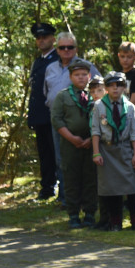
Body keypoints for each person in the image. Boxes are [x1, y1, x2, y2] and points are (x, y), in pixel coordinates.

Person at [44, 31, 101, 207]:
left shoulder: (86, 66)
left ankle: (88, 200)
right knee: (62, 161)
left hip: (87, 123)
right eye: (62, 47)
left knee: (87, 162)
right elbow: (46, 93)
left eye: (70, 47)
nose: (66, 50)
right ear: (57, 49)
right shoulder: (50, 67)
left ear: (76, 48)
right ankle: (66, 199)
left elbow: (100, 88)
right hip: (59, 122)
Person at [91, 72, 135, 231]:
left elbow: (134, 132)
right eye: (111, 85)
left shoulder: (130, 106)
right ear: (105, 88)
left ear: (124, 88)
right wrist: (96, 152)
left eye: (119, 85)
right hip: (107, 150)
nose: (115, 89)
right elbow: (95, 131)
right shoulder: (99, 106)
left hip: (124, 148)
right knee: (111, 188)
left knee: (130, 186)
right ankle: (115, 222)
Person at [51, 58, 97, 228]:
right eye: (77, 75)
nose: (81, 78)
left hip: (92, 143)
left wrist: (91, 139)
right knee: (71, 178)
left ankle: (90, 213)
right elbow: (56, 120)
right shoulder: (62, 96)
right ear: (70, 77)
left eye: (84, 74)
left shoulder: (95, 94)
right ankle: (73, 215)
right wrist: (72, 138)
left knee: (90, 178)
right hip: (70, 144)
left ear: (89, 76)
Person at [28, 22, 59, 200]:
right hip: (40, 115)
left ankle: (58, 188)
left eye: (45, 37)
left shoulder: (58, 59)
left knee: (57, 153)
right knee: (44, 154)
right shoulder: (38, 61)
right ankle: (47, 187)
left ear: (53, 39)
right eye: (38, 38)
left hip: (53, 114)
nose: (41, 40)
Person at [117, 42, 135, 197]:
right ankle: (124, 193)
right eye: (122, 57)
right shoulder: (117, 76)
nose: (125, 60)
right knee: (122, 159)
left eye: (129, 57)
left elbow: (134, 100)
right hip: (118, 124)